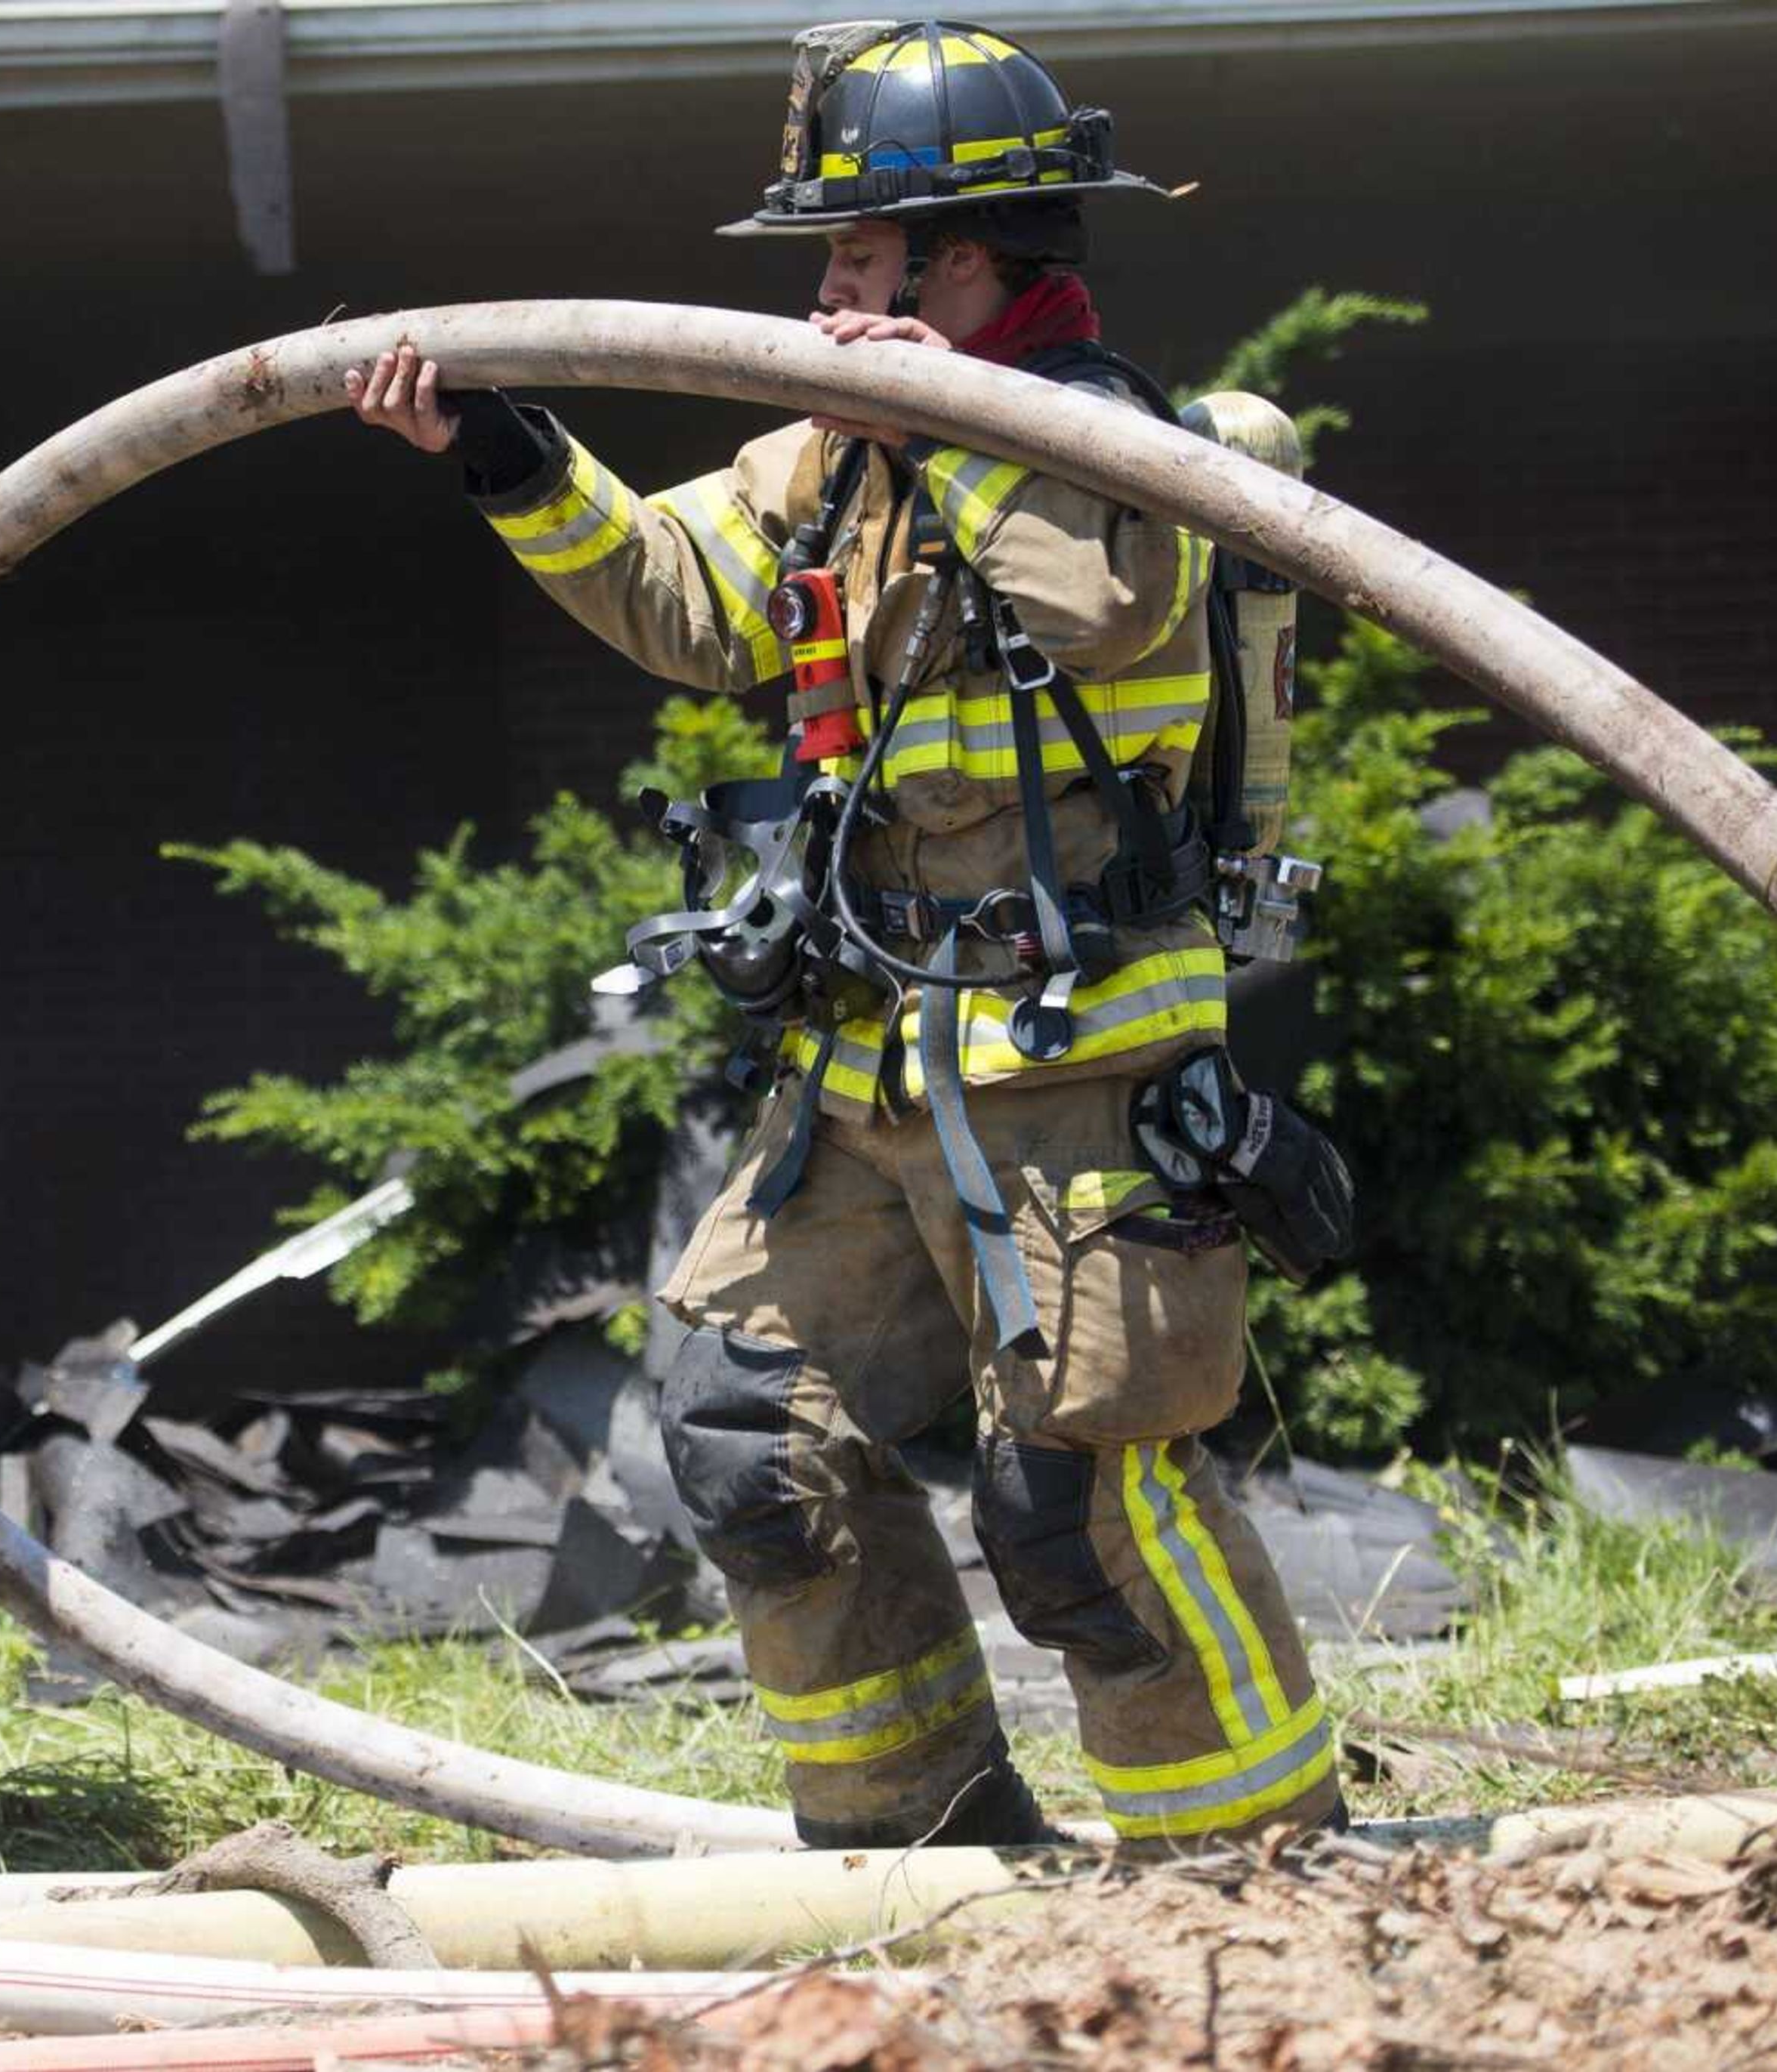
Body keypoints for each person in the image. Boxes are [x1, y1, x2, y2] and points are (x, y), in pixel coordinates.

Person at [347, 20, 1345, 1852]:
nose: (818, 298)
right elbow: (680, 595)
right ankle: (912, 1838)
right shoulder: (831, 458)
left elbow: (1109, 602)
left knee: (1079, 1500)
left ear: (962, 263)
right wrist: (504, 452)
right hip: (865, 1055)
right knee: (743, 1428)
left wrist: (935, 428)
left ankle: (1254, 1857)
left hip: (1085, 1076)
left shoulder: (1135, 451)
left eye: (854, 260)